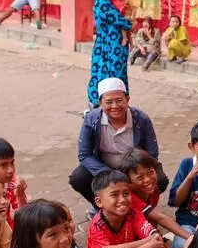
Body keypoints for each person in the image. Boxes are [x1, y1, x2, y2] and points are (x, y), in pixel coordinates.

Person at [69, 77, 161, 206]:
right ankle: (103, 207)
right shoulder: (91, 119)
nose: (115, 106)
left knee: (160, 180)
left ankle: (141, 208)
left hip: (134, 166)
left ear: (127, 100)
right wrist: (108, 173)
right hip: (104, 167)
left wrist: (135, 173)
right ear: (100, 103)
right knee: (78, 178)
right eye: (109, 102)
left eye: (119, 101)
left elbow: (152, 153)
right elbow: (85, 154)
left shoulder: (141, 119)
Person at [87, 0, 134, 105]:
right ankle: (105, 103)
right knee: (111, 75)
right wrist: (130, 23)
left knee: (110, 73)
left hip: (113, 46)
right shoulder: (102, 4)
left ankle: (112, 103)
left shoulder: (109, 2)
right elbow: (122, 21)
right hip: (109, 46)